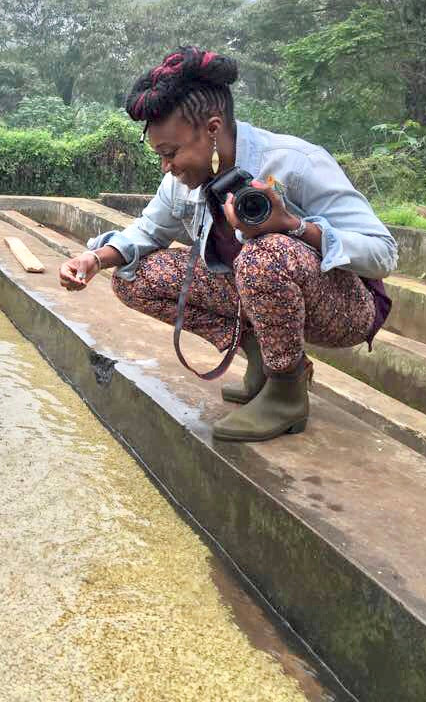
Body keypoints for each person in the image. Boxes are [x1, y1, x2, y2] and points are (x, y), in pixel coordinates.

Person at [58, 46, 397, 442]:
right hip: (259, 291)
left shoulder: (295, 162)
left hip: (344, 306)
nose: (166, 167)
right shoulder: (179, 182)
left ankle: (287, 392)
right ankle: (263, 358)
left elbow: (383, 253)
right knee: (135, 276)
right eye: (160, 157)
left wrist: (292, 224)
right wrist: (95, 259)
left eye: (171, 153)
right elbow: (147, 232)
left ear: (213, 129)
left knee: (264, 254)